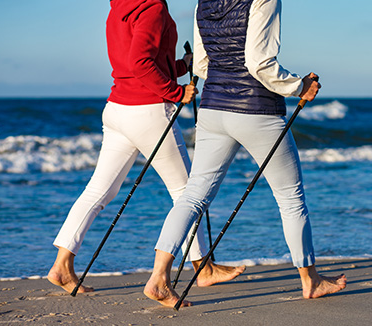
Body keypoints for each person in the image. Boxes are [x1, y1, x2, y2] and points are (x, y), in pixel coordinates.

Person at [143, 0, 347, 308]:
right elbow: (259, 63)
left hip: (213, 108)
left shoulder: (204, 1)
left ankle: (159, 277)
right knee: (290, 198)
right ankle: (311, 280)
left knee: (192, 196)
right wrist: (298, 85)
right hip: (257, 109)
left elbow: (201, 65)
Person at [47, 0, 244, 294]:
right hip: (148, 111)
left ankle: (62, 265)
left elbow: (138, 62)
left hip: (117, 108)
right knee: (187, 193)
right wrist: (177, 92)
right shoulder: (151, 7)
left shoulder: (120, 8)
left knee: (99, 190)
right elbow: (140, 63)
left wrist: (181, 66)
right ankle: (203, 269)